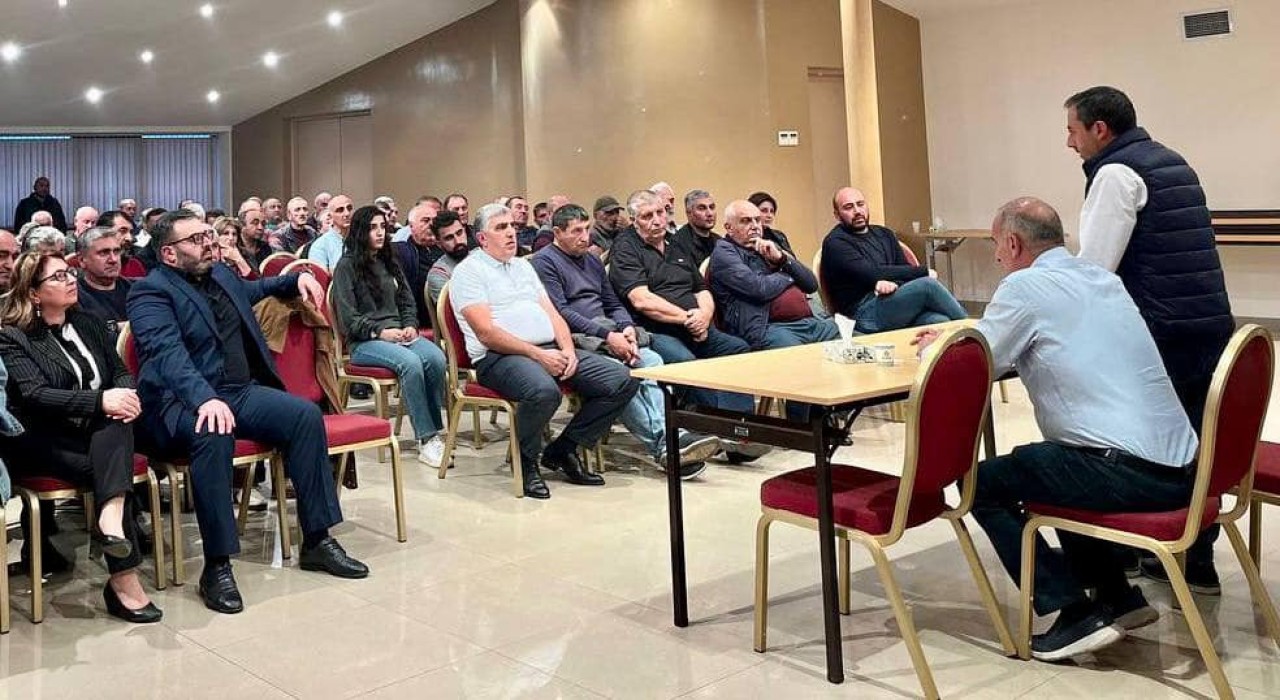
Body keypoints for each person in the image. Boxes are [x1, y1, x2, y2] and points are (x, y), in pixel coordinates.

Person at [913, 197, 1198, 662]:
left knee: (980, 484)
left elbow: (979, 360)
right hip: (1182, 468)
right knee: (1056, 461)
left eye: (997, 247)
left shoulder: (1023, 286)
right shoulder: (1102, 278)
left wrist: (937, 344)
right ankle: (1117, 597)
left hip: (1129, 472)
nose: (997, 257)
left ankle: (1072, 609)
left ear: (1013, 243)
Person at [127, 209, 367, 615]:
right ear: (169, 254)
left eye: (208, 235)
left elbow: (257, 288)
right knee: (214, 431)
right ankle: (217, 565)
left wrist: (295, 279)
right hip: (178, 402)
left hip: (237, 392)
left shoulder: (221, 275)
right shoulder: (150, 292)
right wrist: (204, 398)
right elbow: (167, 355)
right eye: (196, 239)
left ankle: (317, 539)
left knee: (304, 415)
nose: (209, 243)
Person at [1064, 86, 1235, 593]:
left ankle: (1143, 547)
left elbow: (1096, 270)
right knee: (1197, 442)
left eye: (1073, 131)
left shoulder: (1116, 174)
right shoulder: (1172, 161)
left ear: (1100, 129)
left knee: (1145, 445)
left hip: (1159, 331)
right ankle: (1195, 559)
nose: (1069, 143)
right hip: (1206, 324)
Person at [0, 253, 160, 623]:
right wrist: (102, 400)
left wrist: (125, 396)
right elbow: (35, 395)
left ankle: (113, 530)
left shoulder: (87, 323)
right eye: (58, 276)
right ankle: (123, 577)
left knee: (117, 425)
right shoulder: (12, 336)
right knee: (112, 465)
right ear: (34, 293)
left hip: (93, 431)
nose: (71, 279)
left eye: (69, 272)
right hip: (40, 438)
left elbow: (120, 371)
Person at [450, 203, 640, 499]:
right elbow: (486, 333)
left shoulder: (523, 266)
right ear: (482, 238)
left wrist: (569, 350)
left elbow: (554, 315)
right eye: (501, 228)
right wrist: (538, 355)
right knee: (544, 391)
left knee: (622, 380)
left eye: (512, 226)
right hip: (498, 358)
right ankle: (526, 463)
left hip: (549, 348)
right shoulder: (469, 272)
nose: (511, 233)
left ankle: (564, 449)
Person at [531, 204, 721, 479]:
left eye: (587, 229)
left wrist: (626, 327)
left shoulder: (592, 260)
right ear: (557, 233)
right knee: (622, 375)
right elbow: (561, 312)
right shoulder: (544, 262)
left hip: (608, 332)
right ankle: (666, 444)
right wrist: (608, 336)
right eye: (577, 231)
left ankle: (669, 440)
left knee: (651, 361)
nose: (585, 237)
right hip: (574, 338)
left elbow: (612, 302)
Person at [608, 190, 766, 462]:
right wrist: (687, 319)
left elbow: (701, 288)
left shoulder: (675, 243)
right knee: (687, 363)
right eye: (647, 216)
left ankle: (738, 430)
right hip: (656, 331)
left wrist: (704, 315)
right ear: (633, 220)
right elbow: (642, 300)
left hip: (695, 325)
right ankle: (718, 430)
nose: (657, 220)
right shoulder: (625, 249)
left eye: (660, 212)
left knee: (737, 349)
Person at [331, 205, 449, 467]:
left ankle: (434, 433)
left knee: (436, 358)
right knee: (411, 363)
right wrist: (379, 332)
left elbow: (407, 300)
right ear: (360, 232)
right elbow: (348, 319)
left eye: (382, 227)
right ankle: (426, 438)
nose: (380, 233)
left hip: (399, 334)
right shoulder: (346, 267)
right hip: (365, 341)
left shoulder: (389, 261)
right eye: (372, 228)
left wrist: (410, 325)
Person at [821, 187, 967, 332]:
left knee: (940, 321)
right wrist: (923, 272)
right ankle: (975, 332)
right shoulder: (835, 243)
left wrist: (893, 284)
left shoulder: (885, 234)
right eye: (848, 207)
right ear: (837, 215)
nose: (857, 211)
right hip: (861, 314)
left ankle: (969, 340)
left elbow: (903, 269)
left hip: (893, 302)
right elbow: (872, 273)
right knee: (928, 285)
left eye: (860, 204)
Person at [709, 200, 837, 351]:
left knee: (854, 340)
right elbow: (759, 289)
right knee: (801, 358)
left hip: (811, 321)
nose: (755, 226)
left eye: (757, 220)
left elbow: (811, 284)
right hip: (770, 328)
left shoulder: (767, 245)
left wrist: (782, 259)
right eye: (746, 221)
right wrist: (787, 274)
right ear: (729, 228)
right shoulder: (724, 253)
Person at [75, 226, 134, 342]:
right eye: (104, 253)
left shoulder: (138, 289)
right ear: (82, 260)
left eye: (116, 251)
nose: (113, 260)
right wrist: (116, 327)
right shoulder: (73, 296)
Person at [392, 203, 444, 329]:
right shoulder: (400, 252)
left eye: (434, 220)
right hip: (419, 319)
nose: (431, 224)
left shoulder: (446, 248)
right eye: (425, 220)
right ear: (411, 226)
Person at [426, 211, 469, 307]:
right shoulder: (438, 275)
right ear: (439, 244)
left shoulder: (480, 256)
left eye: (459, 233)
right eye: (449, 238)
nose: (457, 241)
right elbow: (455, 310)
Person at [671, 189, 720, 268]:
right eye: (702, 208)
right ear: (689, 213)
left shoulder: (719, 241)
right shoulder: (678, 243)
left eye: (712, 207)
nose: (709, 213)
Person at [307, 194, 353, 270]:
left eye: (349, 208)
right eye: (340, 210)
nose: (347, 213)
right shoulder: (320, 245)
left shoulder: (362, 238)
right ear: (330, 216)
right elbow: (320, 275)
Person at [98, 210, 148, 278]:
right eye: (123, 231)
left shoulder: (135, 265)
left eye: (131, 232)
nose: (129, 238)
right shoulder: (91, 265)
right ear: (103, 233)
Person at [746, 191, 796, 256]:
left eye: (772, 211)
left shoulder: (779, 236)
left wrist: (777, 251)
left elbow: (793, 260)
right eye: (764, 211)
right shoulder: (745, 236)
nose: (769, 216)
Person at [236, 207, 273, 273]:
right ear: (242, 225)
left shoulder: (265, 247)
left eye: (263, 224)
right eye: (255, 223)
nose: (260, 228)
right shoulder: (234, 246)